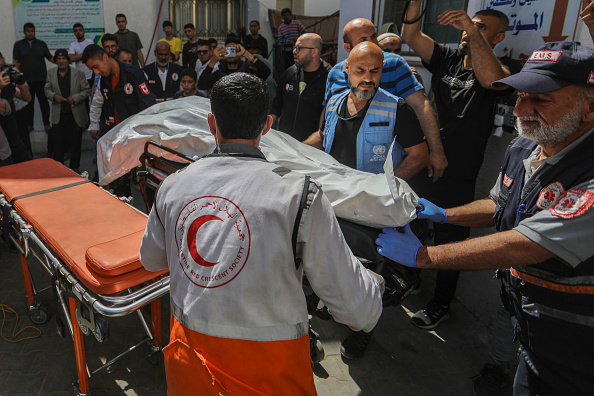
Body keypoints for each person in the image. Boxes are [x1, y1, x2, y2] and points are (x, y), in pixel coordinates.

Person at [139, 72, 383, 395]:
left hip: (191, 374)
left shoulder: (173, 186)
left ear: (212, 124)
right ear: (267, 125)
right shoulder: (300, 195)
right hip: (271, 379)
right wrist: (373, 283)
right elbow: (359, 311)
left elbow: (151, 259)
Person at [376, 40, 594, 396]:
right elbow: (498, 204)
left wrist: (423, 257)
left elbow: (528, 245)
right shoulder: (526, 145)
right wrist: (445, 215)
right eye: (521, 95)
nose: (521, 108)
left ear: (590, 108)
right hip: (530, 321)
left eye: (541, 99)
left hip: (578, 343)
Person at [401, 3, 522, 340]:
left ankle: (441, 303)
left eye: (482, 28)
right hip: (424, 159)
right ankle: (407, 280)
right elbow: (410, 35)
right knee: (408, 220)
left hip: (459, 172)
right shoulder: (447, 58)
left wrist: (470, 29)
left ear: (497, 38)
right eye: (471, 25)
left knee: (450, 237)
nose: (470, 30)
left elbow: (490, 79)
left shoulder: (505, 67)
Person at [308, 18, 446, 182]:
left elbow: (420, 107)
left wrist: (383, 187)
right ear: (347, 68)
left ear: (382, 67)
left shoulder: (396, 105)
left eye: (375, 71)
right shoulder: (334, 94)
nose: (368, 78)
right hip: (337, 189)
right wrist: (295, 148)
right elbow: (324, 132)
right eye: (360, 71)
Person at [270, 33, 330, 141]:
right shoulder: (289, 73)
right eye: (294, 48)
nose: (294, 51)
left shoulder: (329, 78)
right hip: (284, 144)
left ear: (314, 52)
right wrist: (266, 127)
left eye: (299, 48)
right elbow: (277, 105)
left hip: (311, 148)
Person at [44, 49, 90, 172]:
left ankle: (75, 168)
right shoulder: (51, 73)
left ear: (68, 60)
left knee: (75, 143)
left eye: (64, 58)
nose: (61, 61)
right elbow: (46, 89)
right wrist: (54, 96)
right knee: (58, 144)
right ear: (55, 61)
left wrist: (75, 98)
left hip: (75, 114)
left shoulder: (78, 73)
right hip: (58, 114)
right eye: (58, 59)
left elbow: (87, 90)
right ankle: (59, 169)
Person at [12, 22, 54, 136]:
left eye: (32, 31)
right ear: (24, 32)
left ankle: (46, 123)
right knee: (29, 103)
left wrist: (62, 61)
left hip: (41, 78)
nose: (31, 33)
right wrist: (17, 72)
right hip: (26, 79)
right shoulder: (19, 45)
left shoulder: (41, 44)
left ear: (35, 31)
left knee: (44, 102)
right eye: (28, 31)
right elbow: (15, 60)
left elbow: (50, 58)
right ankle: (30, 124)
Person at [197, 36, 270, 91]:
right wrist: (213, 60)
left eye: (233, 50)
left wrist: (246, 53)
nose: (230, 53)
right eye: (228, 50)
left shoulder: (248, 72)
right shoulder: (219, 73)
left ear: (241, 55)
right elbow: (202, 85)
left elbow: (266, 72)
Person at [0, 54, 32, 163]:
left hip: (14, 136)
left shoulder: (6, 78)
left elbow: (27, 98)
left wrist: (21, 83)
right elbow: (4, 108)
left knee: (27, 166)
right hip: (2, 142)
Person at [68, 23, 95, 90]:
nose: (78, 32)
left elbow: (92, 54)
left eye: (80, 30)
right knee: (83, 97)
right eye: (76, 31)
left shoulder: (89, 42)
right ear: (74, 33)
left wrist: (77, 56)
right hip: (80, 76)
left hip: (91, 74)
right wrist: (84, 54)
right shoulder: (73, 45)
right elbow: (70, 59)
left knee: (94, 96)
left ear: (84, 31)